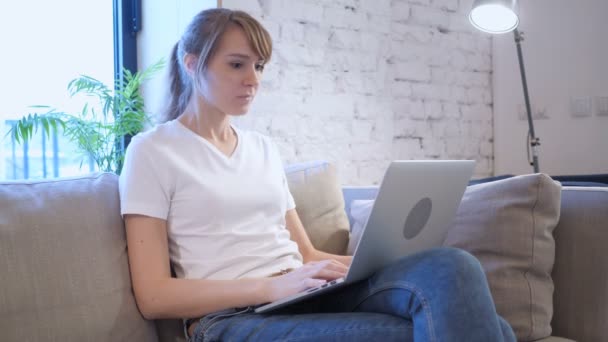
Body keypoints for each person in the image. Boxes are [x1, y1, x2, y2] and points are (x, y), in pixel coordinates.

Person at [118, 8, 516, 342]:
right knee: (486, 328)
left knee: (453, 266)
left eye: (258, 66)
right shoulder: (153, 151)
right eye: (237, 64)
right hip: (230, 318)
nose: (253, 79)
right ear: (192, 64)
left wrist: (366, 264)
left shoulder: (262, 149)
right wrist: (269, 287)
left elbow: (305, 254)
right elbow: (153, 296)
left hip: (301, 292)